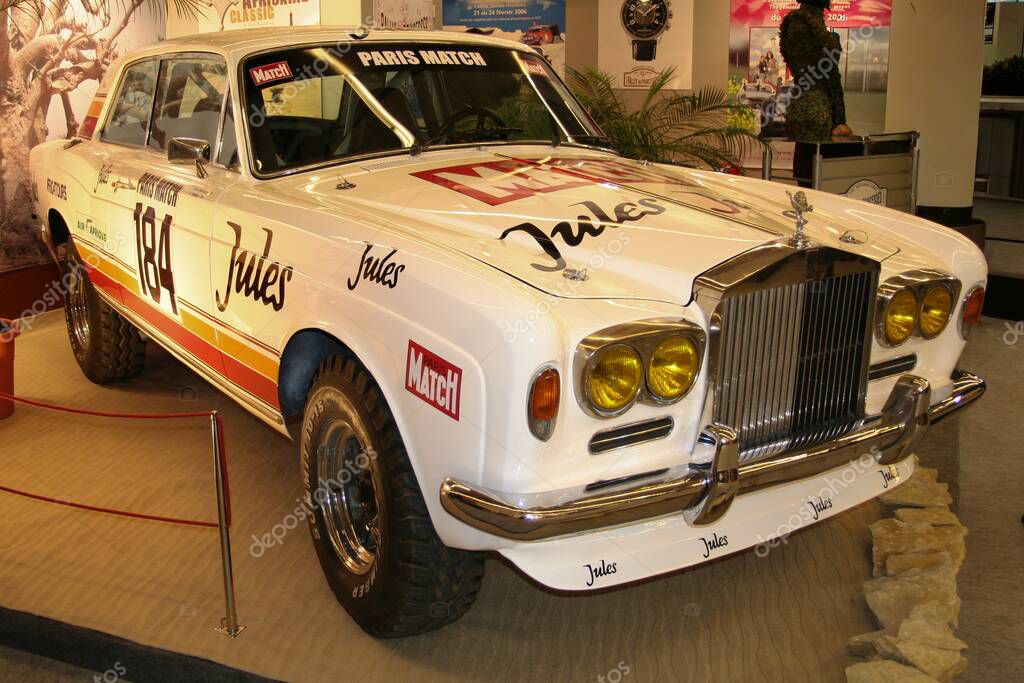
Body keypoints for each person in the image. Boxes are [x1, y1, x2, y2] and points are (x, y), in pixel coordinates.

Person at [780, 0, 856, 184]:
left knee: (805, 170)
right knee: (820, 175)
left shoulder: (790, 27)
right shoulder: (822, 37)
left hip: (799, 103)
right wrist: (840, 120)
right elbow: (832, 79)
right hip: (819, 107)